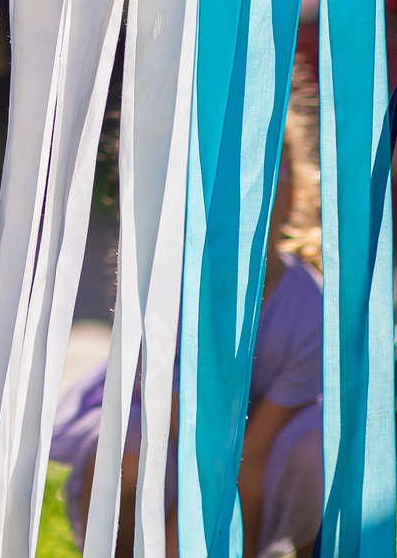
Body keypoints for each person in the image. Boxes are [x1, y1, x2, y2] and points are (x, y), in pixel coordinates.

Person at [43, 88, 324, 558]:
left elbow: (249, 456)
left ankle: (304, 544)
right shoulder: (167, 292)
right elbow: (178, 418)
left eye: (261, 183)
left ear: (291, 193)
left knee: (310, 452)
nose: (242, 208)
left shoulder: (308, 307)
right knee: (128, 455)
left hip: (263, 443)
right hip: (168, 425)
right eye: (222, 188)